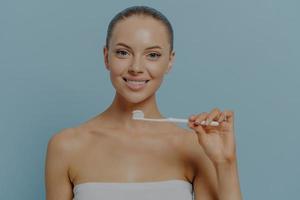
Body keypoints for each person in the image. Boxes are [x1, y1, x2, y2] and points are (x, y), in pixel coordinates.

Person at [45, 5, 242, 200]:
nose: (136, 67)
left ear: (169, 61)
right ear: (106, 57)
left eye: (153, 55)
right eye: (123, 52)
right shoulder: (66, 146)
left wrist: (226, 164)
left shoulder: (195, 147)